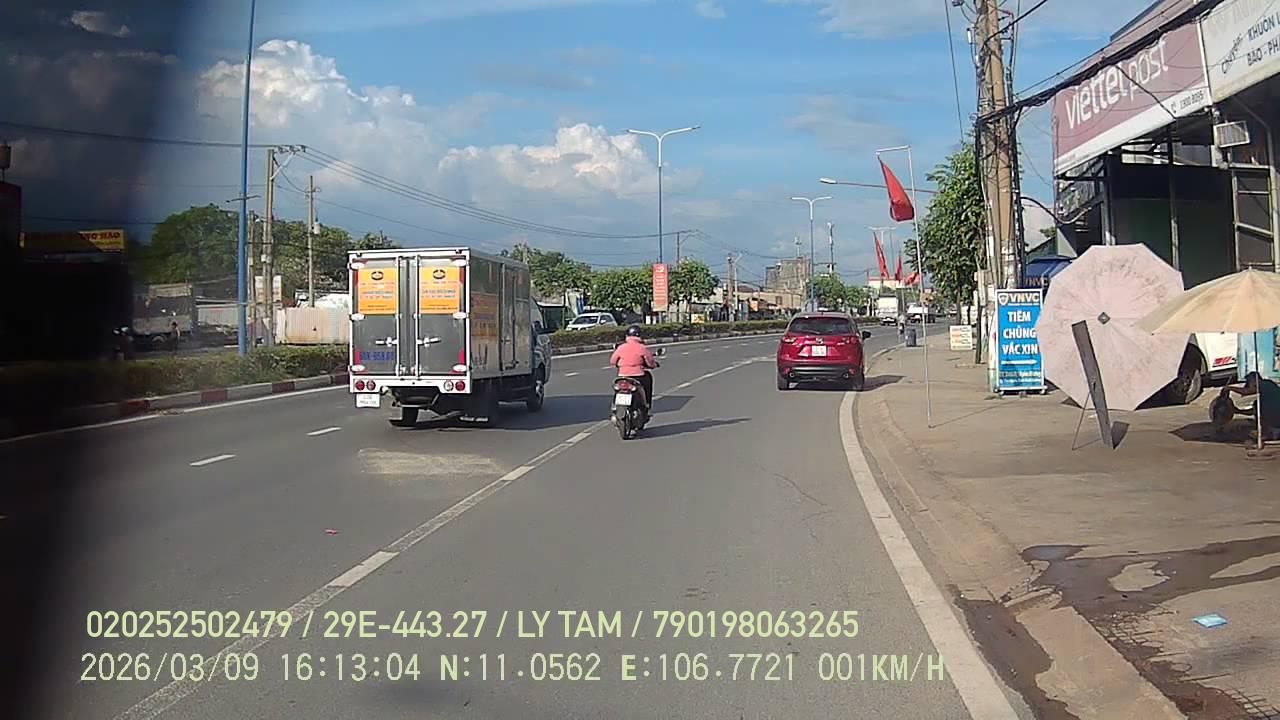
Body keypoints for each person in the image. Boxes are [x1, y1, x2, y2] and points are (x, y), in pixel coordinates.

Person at [609, 325, 658, 411]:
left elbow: (613, 361)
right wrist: (654, 365)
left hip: (623, 375)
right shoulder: (642, 348)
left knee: (618, 388)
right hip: (639, 376)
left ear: (627, 336)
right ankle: (647, 404)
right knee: (648, 380)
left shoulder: (621, 347)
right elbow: (650, 362)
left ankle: (614, 406)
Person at [1226, 371, 1280, 440]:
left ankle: (1267, 433)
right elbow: (1253, 411)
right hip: (1275, 419)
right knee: (1257, 403)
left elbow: (1246, 391)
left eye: (1249, 383)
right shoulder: (1269, 385)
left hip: (1275, 419)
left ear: (1253, 380)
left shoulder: (1263, 384)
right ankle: (1271, 431)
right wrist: (1238, 411)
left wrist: (1230, 388)